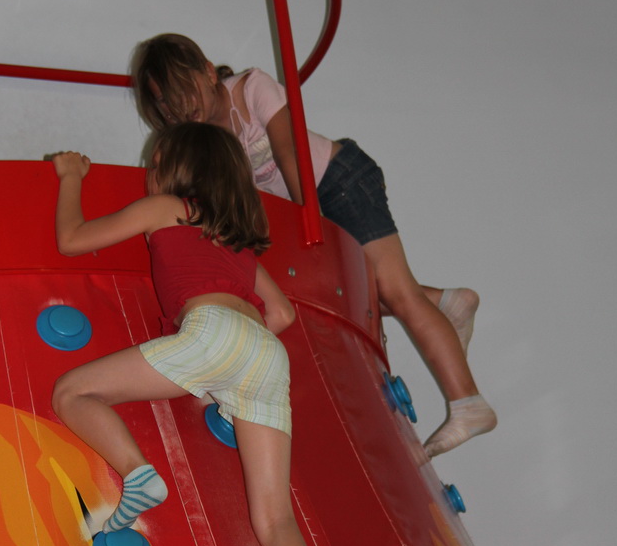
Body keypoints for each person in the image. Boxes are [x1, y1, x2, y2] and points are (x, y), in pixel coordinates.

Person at [51, 122, 349, 546]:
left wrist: (71, 176)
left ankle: (137, 473)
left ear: (170, 164)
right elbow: (283, 315)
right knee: (275, 518)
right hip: (267, 354)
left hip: (211, 331)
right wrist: (228, 380)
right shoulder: (238, 241)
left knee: (72, 392)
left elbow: (72, 239)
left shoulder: (168, 208)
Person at [130, 33, 496, 460]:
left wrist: (311, 224)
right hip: (303, 206)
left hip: (337, 181)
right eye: (167, 103)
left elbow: (290, 152)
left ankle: (469, 403)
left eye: (184, 89)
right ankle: (447, 303)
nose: (181, 107)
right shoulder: (204, 140)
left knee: (396, 291)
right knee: (352, 298)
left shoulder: (250, 88)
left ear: (209, 72)